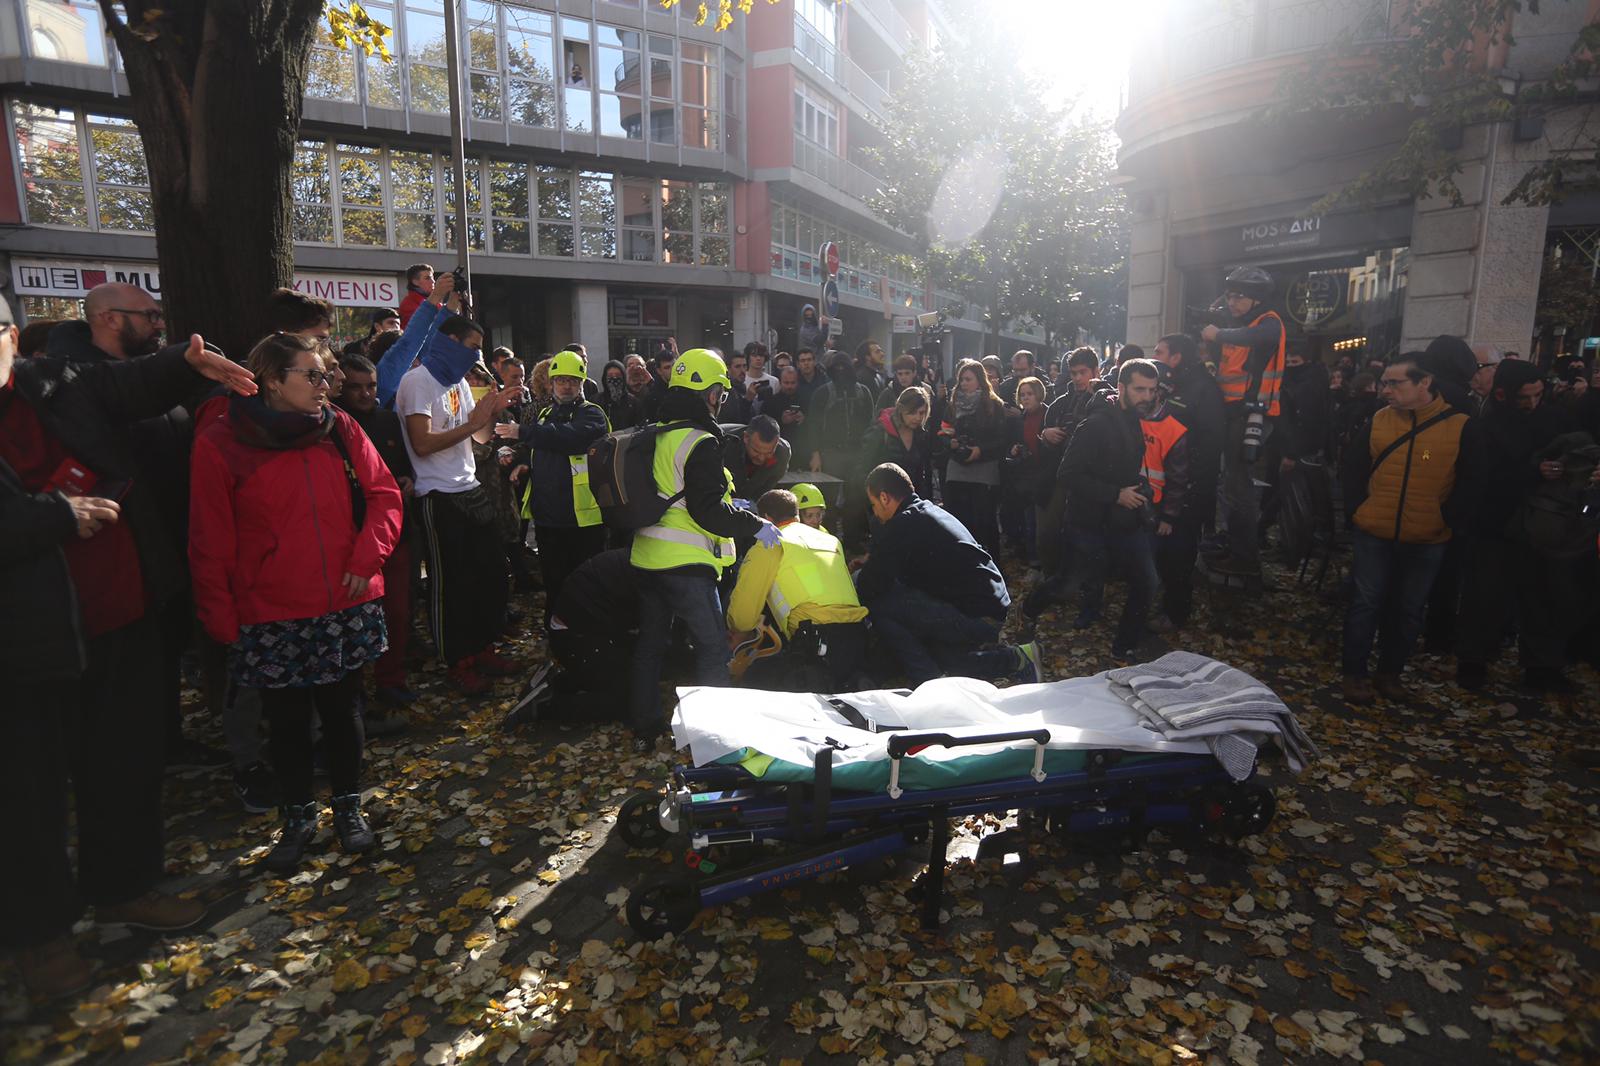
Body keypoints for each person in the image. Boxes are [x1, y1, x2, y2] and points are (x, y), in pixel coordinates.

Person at [1, 309, 251, 996]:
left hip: (120, 615)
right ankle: (39, 936)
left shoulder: (52, 383)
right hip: (24, 646)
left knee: (125, 765)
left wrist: (183, 364)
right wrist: (53, 519)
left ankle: (123, 887)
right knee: (28, 801)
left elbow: (127, 385)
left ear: (12, 339)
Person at [190, 333, 403, 872]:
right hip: (271, 607)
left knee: (341, 711)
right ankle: (298, 816)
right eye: (311, 375)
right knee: (285, 724)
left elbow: (384, 495)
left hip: (343, 597)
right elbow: (208, 536)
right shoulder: (221, 440)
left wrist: (365, 559)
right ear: (270, 380)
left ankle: (348, 808)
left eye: (325, 374)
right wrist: (221, 616)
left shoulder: (338, 427)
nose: (325, 385)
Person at [46, 283, 227, 772]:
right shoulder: (69, 383)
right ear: (108, 318)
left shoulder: (149, 381)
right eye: (148, 316)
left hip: (163, 542)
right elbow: (120, 389)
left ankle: (165, 743)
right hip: (116, 553)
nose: (158, 324)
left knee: (162, 652)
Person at [628, 349, 775, 749]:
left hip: (646, 557)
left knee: (650, 647)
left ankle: (644, 727)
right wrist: (755, 525)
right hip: (686, 563)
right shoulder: (701, 441)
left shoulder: (658, 431)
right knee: (712, 649)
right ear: (708, 393)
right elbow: (708, 511)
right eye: (720, 393)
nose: (720, 400)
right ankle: (717, 738)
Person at [397, 315, 524, 694]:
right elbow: (422, 443)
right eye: (471, 347)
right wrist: (473, 424)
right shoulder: (417, 382)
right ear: (448, 341)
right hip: (436, 495)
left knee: (490, 575)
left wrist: (493, 409)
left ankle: (483, 647)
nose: (476, 357)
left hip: (469, 487)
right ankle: (458, 661)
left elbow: (478, 436)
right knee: (452, 584)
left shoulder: (460, 384)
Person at [1339, 353, 1474, 704]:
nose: (1385, 390)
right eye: (1384, 383)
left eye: (1394, 383)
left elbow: (1472, 480)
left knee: (1410, 609)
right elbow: (1352, 468)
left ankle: (1390, 674)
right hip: (1374, 530)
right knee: (1366, 603)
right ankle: (1354, 674)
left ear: (1424, 383)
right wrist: (1358, 511)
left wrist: (1446, 518)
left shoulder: (1460, 425)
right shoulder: (1379, 420)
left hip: (1428, 535)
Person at [1455, 360, 1583, 693]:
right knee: (1485, 595)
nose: (1532, 403)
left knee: (1542, 595)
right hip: (1496, 523)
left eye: (1538, 395)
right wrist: (1533, 472)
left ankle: (1542, 665)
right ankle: (1474, 660)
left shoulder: (1555, 419)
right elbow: (1482, 477)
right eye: (1524, 397)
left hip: (1545, 524)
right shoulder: (1486, 426)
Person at [855, 463, 1041, 686]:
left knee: (881, 604)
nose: (875, 512)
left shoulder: (902, 525)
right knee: (950, 662)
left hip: (975, 615)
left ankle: (927, 682)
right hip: (991, 607)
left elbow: (869, 585)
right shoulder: (925, 512)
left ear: (884, 498)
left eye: (874, 504)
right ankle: (1019, 658)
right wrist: (873, 560)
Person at [1059, 360, 1177, 658]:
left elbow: (1121, 467)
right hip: (1090, 520)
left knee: (1147, 581)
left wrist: (1137, 487)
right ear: (1122, 387)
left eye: (1152, 390)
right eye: (1140, 389)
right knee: (1069, 581)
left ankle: (1124, 646)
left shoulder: (1134, 419)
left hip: (1124, 519)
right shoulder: (1097, 423)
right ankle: (1028, 611)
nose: (1147, 396)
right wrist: (1115, 494)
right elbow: (1067, 474)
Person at [335, 355, 418, 726]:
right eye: (356, 386)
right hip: (347, 541)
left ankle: (390, 679)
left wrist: (406, 482)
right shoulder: (331, 428)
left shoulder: (387, 420)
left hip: (393, 535)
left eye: (371, 385)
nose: (366, 393)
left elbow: (404, 467)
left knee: (397, 614)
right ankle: (353, 695)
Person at [495, 350, 610, 619]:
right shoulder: (545, 414)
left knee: (584, 582)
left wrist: (523, 432)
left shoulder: (592, 414)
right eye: (561, 380)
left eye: (572, 380)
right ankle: (557, 632)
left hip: (583, 520)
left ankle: (585, 633)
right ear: (551, 383)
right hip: (549, 517)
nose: (566, 385)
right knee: (555, 582)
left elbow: (569, 438)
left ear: (582, 383)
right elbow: (543, 446)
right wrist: (524, 461)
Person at [726, 489, 869, 690]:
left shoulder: (770, 541)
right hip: (857, 635)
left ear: (765, 518)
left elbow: (744, 610)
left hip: (815, 642)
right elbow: (815, 588)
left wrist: (737, 628)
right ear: (797, 514)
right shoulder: (829, 540)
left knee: (755, 680)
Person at [1200, 266, 1287, 577]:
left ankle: (1244, 559)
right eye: (1230, 295)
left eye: (1240, 297)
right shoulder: (1238, 324)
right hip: (1231, 413)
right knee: (1232, 487)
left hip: (1252, 414)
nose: (1232, 302)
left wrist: (1218, 333)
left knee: (1240, 489)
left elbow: (1258, 338)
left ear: (1257, 298)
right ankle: (1235, 546)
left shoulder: (1268, 323)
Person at [505, 549, 639, 728]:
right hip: (578, 636)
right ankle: (545, 707)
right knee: (628, 698)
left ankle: (556, 682)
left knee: (631, 671)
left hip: (580, 629)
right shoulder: (652, 579)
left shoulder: (641, 557)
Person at [1152, 333, 1224, 629]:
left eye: (1159, 351)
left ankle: (1176, 613)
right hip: (1170, 484)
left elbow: (1209, 443)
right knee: (1167, 551)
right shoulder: (1176, 385)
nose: (1154, 356)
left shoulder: (1202, 389)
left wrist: (1193, 487)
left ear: (1176, 357)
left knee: (1179, 552)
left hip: (1189, 487)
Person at [940, 358, 1010, 562]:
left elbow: (1001, 439)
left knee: (984, 520)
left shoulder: (994, 406)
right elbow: (943, 432)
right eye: (961, 379)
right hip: (957, 467)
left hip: (984, 469)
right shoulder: (952, 405)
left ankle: (989, 563)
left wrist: (981, 450)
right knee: (957, 519)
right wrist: (949, 443)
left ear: (980, 380)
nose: (963, 383)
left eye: (968, 379)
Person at [1002, 376, 1051, 564]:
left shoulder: (1049, 415)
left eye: (1030, 394)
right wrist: (1014, 450)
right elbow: (1012, 446)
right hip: (1026, 478)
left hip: (1044, 477)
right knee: (1029, 522)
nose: (1026, 398)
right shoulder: (1020, 420)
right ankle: (1033, 561)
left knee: (1042, 525)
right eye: (1022, 395)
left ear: (1039, 394)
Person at [861, 385, 934, 499]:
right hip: (883, 502)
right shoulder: (879, 432)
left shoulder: (920, 435)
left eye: (921, 413)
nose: (917, 418)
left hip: (912, 502)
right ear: (901, 409)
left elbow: (923, 475)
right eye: (912, 412)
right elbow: (863, 470)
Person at [722, 415, 792, 501]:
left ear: (777, 442)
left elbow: (768, 486)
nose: (761, 458)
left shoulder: (782, 453)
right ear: (746, 438)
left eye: (769, 453)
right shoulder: (722, 441)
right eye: (756, 451)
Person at [599, 358, 644, 431]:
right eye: (610, 375)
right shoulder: (597, 401)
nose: (614, 378)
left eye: (618, 375)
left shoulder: (634, 403)